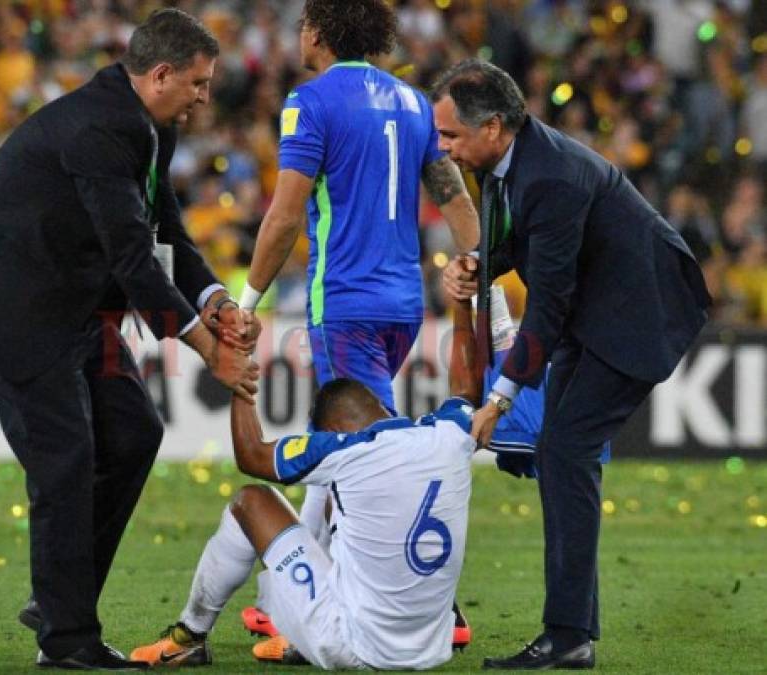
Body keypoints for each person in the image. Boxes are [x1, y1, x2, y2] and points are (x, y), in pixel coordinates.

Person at [0, 9, 259, 671]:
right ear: (160, 74)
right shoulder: (98, 128)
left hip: (68, 308)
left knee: (133, 432)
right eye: (196, 83)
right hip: (6, 309)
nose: (204, 95)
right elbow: (134, 259)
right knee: (67, 458)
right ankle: (67, 640)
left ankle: (59, 590)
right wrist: (208, 350)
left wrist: (214, 298)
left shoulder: (145, 124)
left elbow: (166, 232)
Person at [434, 59, 710, 670]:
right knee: (562, 453)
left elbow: (549, 305)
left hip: (640, 311)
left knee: (563, 450)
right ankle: (572, 633)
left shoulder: (551, 176)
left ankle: (568, 635)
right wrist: (475, 264)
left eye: (451, 134)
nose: (442, 146)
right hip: (599, 306)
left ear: (495, 127)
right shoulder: (507, 160)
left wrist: (500, 399)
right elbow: (513, 240)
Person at [234, 0, 479, 611]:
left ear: (317, 32)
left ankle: (427, 605)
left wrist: (248, 299)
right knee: (337, 440)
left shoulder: (310, 103)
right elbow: (457, 204)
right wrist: (479, 267)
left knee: (370, 453)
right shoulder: (414, 103)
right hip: (403, 304)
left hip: (345, 301)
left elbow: (287, 213)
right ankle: (278, 604)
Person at [129, 295, 481, 671]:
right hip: (430, 650)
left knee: (252, 501)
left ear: (332, 430)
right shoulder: (449, 434)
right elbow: (467, 388)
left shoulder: (345, 451)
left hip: (352, 645)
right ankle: (296, 627)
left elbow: (251, 456)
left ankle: (189, 636)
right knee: (334, 499)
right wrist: (462, 305)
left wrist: (239, 379)